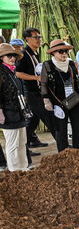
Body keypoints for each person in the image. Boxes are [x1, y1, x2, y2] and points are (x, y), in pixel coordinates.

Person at [40, 39, 79, 152]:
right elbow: (43, 83)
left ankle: (77, 149)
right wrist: (46, 100)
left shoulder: (71, 63)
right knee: (61, 129)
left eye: (65, 51)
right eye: (60, 51)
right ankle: (63, 153)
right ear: (53, 53)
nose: (64, 54)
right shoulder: (47, 65)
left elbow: (77, 81)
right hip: (57, 101)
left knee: (78, 126)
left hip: (74, 99)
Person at [15, 27, 53, 150]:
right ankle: (62, 143)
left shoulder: (36, 52)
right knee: (48, 117)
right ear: (27, 39)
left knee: (33, 121)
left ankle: (25, 146)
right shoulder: (23, 54)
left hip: (39, 90)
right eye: (35, 37)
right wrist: (35, 78)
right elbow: (18, 73)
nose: (38, 40)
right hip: (31, 92)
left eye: (39, 37)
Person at [0, 43, 30, 171]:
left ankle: (23, 168)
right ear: (1, 57)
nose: (12, 58)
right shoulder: (1, 72)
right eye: (9, 55)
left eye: (14, 56)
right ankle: (14, 171)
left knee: (22, 142)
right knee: (12, 144)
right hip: (8, 112)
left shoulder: (11, 71)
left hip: (19, 111)